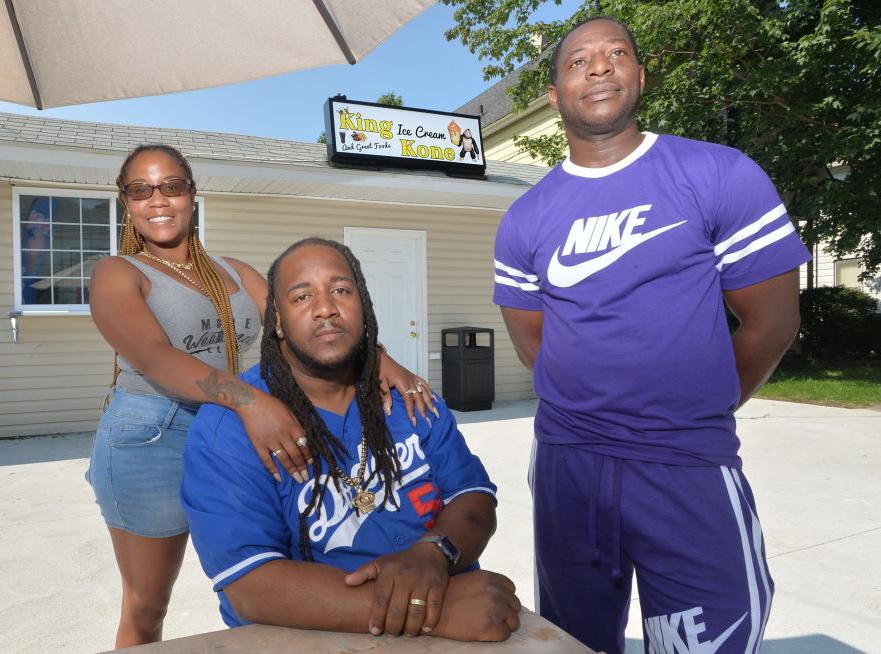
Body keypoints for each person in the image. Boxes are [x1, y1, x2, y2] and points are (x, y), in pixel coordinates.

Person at [492, 16, 812, 654]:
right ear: (554, 96)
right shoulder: (524, 220)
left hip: (685, 466)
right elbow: (536, 346)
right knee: (570, 643)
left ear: (640, 75)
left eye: (616, 54)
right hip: (568, 467)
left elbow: (772, 323)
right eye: (578, 60)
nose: (600, 66)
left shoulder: (719, 174)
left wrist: (697, 404)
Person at [86, 145, 435, 648]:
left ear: (191, 193)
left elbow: (299, 322)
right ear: (125, 201)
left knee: (273, 575)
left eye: (171, 186)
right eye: (140, 190)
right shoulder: (118, 273)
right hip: (152, 438)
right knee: (148, 604)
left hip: (231, 428)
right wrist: (250, 401)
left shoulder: (234, 272)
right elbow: (155, 357)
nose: (157, 200)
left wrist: (381, 358)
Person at [180, 238, 521, 641]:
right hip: (313, 636)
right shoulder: (228, 431)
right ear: (276, 321)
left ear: (365, 308)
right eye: (302, 296)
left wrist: (435, 552)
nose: (325, 308)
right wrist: (433, 611)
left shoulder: (408, 396)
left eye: (341, 290)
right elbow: (251, 586)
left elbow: (473, 495)